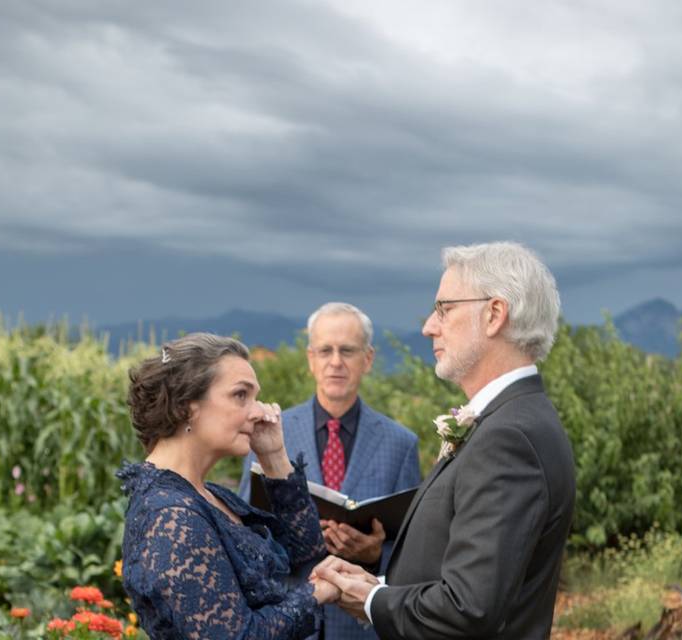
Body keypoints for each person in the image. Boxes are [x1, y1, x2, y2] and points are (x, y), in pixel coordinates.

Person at [314, 242, 576, 639]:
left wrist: (369, 602)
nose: (428, 327)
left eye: (444, 309)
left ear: (494, 315)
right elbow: (458, 576)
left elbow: (468, 608)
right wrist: (377, 587)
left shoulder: (509, 438)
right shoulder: (512, 420)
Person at [117, 333, 339, 639]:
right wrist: (316, 594)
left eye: (254, 396)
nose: (259, 411)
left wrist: (273, 455)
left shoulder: (207, 495)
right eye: (240, 395)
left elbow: (306, 550)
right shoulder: (170, 516)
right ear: (186, 406)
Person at [238, 302, 421, 640]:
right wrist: (293, 539)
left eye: (347, 351)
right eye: (326, 350)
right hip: (287, 620)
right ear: (311, 359)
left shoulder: (401, 444)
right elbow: (243, 532)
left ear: (368, 359)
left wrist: (374, 554)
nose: (336, 362)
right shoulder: (268, 432)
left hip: (360, 628)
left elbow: (415, 550)